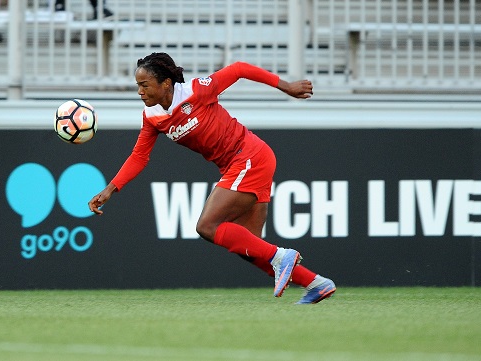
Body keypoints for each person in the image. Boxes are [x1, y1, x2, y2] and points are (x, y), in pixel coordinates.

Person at [88, 52, 336, 304]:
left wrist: (287, 86)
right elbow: (139, 157)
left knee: (207, 226)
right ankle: (316, 284)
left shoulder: (196, 91)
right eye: (138, 86)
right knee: (249, 246)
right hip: (241, 163)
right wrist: (110, 189)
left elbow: (239, 68)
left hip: (248, 156)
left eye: (144, 85)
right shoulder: (152, 116)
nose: (140, 92)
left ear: (165, 83)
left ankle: (283, 257)